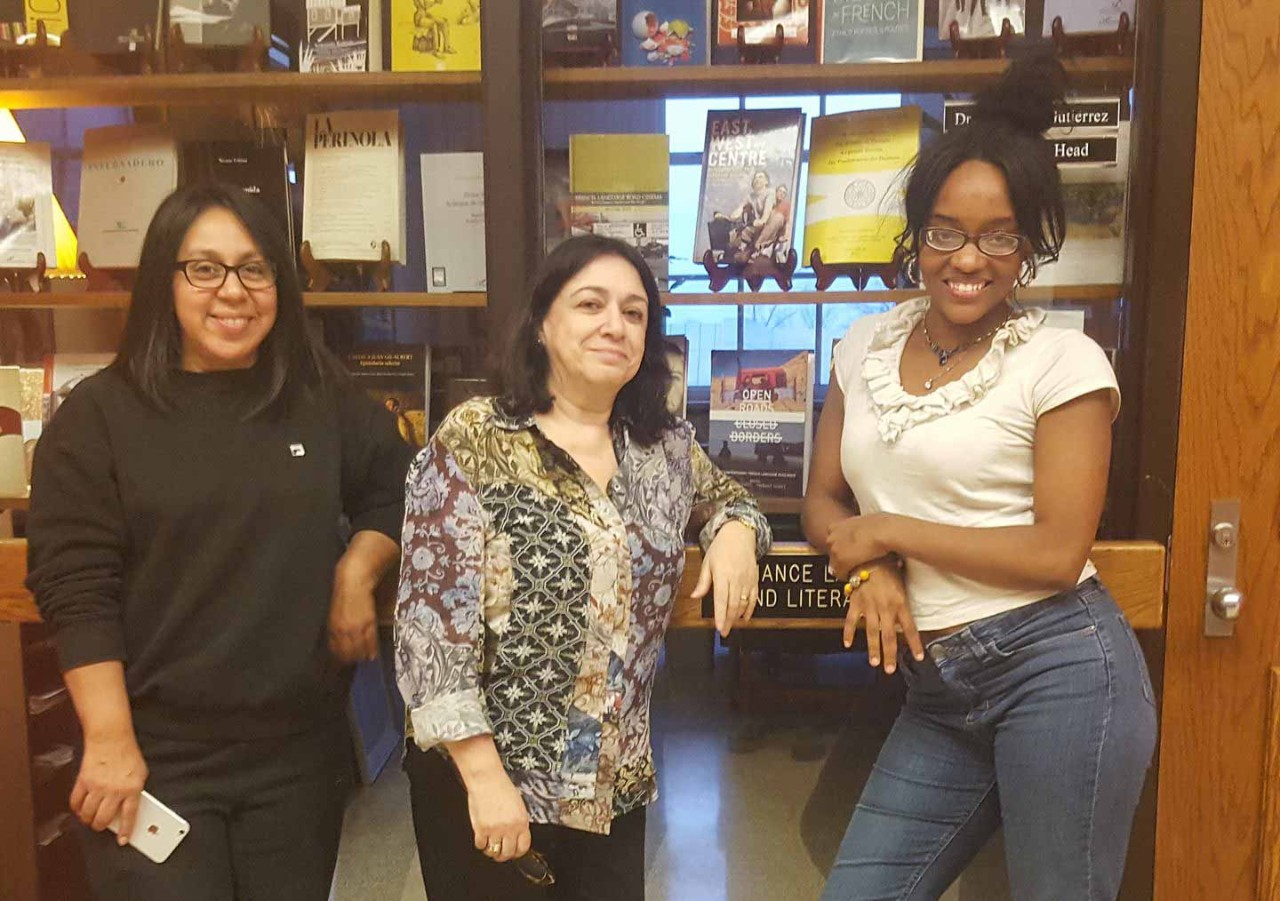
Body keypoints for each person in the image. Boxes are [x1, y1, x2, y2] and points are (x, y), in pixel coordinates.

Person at [802, 54, 1156, 900]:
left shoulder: (1061, 360)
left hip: (1060, 669)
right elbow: (823, 500)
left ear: (1027, 245)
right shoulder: (865, 345)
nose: (969, 257)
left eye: (1000, 234)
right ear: (916, 234)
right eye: (946, 231)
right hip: (938, 686)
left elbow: (1056, 554)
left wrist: (888, 532)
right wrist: (871, 566)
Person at [25, 183, 412, 900]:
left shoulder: (315, 399)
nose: (232, 291)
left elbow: (397, 485)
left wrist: (357, 569)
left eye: (254, 268)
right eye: (204, 268)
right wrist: (108, 739)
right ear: (163, 281)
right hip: (150, 754)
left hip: (296, 756)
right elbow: (77, 587)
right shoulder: (99, 417)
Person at [395, 234, 771, 900]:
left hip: (611, 780)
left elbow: (731, 498)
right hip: (489, 780)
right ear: (542, 324)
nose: (614, 325)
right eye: (590, 304)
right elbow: (430, 631)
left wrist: (737, 531)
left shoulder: (664, 447)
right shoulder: (476, 440)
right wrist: (484, 779)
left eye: (634, 312)